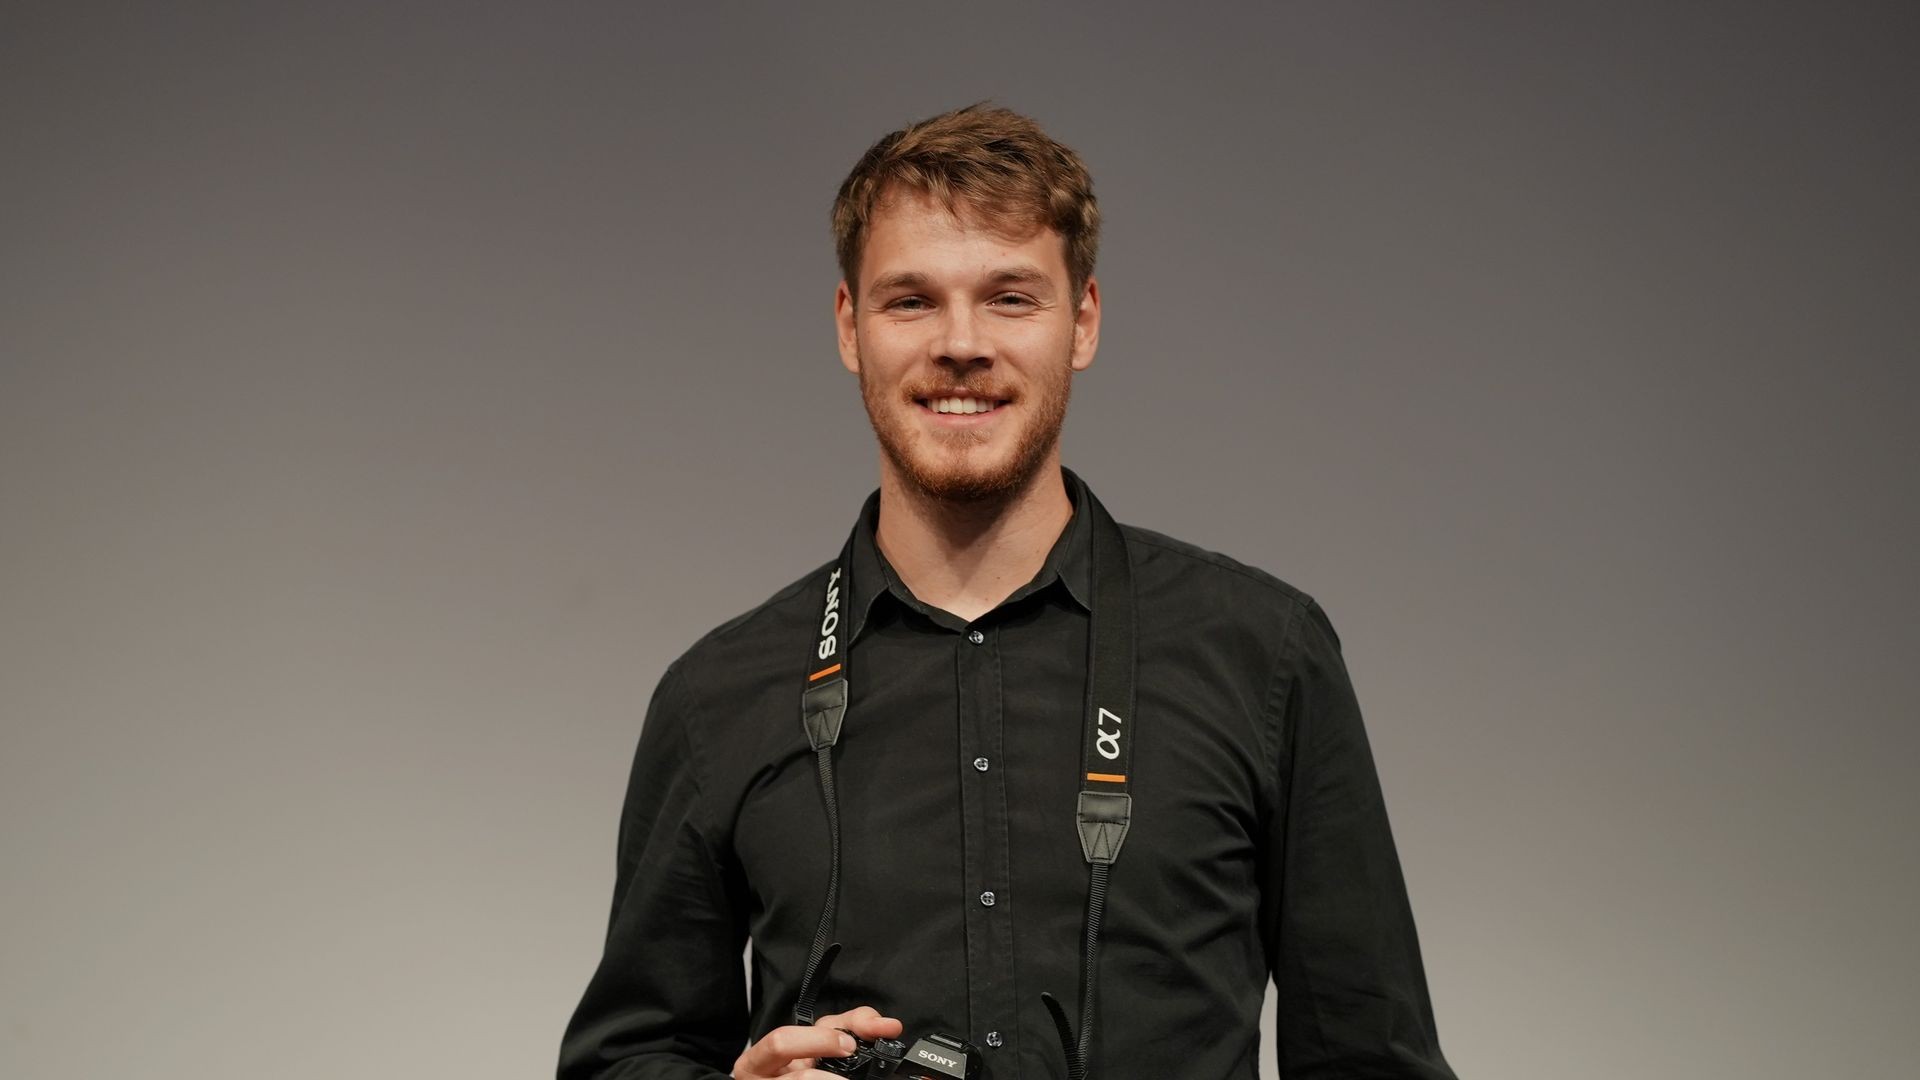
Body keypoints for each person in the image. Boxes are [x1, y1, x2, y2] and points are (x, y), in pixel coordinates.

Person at [558, 102, 1458, 1080]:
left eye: (1010, 298)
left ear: (1084, 322)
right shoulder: (718, 696)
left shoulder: (1264, 655)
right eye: (910, 301)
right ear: (849, 327)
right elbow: (623, 1060)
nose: (960, 344)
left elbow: (1378, 1061)